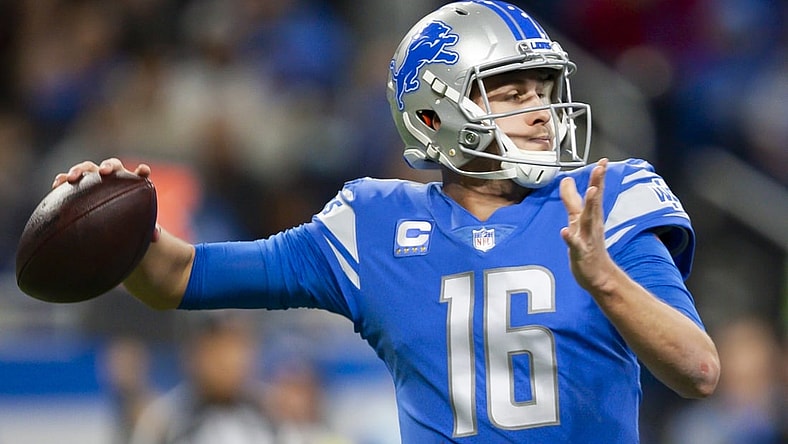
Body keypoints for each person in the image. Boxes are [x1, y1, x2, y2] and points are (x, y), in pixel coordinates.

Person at [52, 1, 720, 442]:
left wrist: (605, 280)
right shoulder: (370, 225)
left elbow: (696, 369)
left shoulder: (610, 198)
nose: (542, 111)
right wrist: (112, 217)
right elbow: (179, 278)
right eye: (514, 92)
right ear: (436, 114)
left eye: (544, 91)